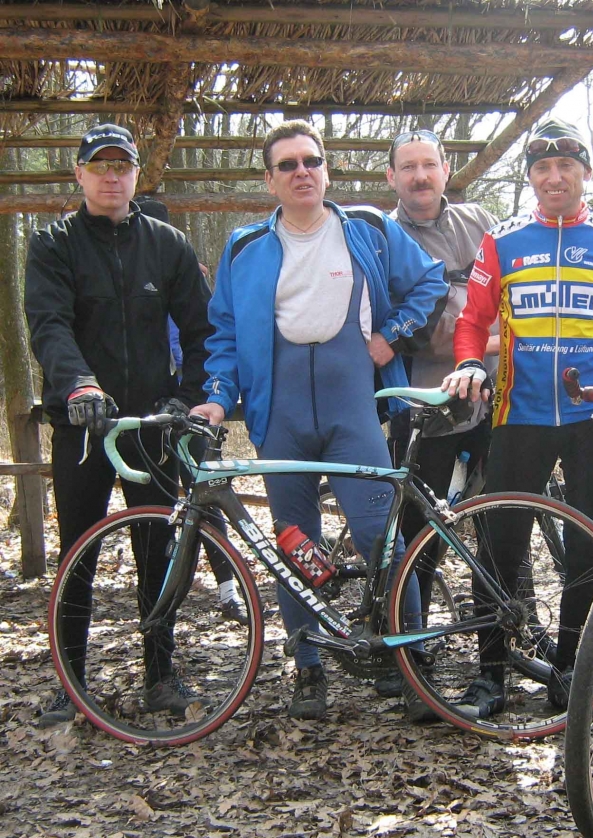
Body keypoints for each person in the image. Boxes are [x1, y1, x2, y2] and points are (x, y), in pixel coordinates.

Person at [189, 119, 448, 722]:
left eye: (312, 160)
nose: (302, 172)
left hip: (352, 408)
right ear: (269, 180)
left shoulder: (368, 228)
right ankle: (308, 665)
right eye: (287, 165)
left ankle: (410, 665)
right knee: (294, 542)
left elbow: (429, 280)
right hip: (278, 415)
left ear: (327, 170)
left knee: (380, 536)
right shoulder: (245, 247)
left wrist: (392, 334)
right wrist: (218, 398)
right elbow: (223, 333)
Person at [443, 117, 593, 718]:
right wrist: (470, 362)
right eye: (542, 167)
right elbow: (472, 321)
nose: (554, 177)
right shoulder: (503, 240)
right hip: (520, 412)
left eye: (566, 166)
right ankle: (489, 676)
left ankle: (568, 673)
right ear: (531, 177)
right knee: (500, 543)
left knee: (584, 549)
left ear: (585, 172)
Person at [25, 124, 215, 726]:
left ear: (136, 174)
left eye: (122, 166)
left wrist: (187, 398)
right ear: (79, 173)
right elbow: (49, 323)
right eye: (100, 165)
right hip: (84, 426)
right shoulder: (53, 244)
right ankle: (71, 682)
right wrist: (78, 384)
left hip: (152, 424)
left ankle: (161, 674)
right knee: (77, 552)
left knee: (158, 549)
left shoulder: (168, 245)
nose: (112, 176)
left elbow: (203, 330)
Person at [380, 129, 499, 698]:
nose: (420, 176)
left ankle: (500, 646)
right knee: (418, 528)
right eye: (408, 167)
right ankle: (412, 651)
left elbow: (508, 291)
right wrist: (494, 343)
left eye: (429, 164)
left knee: (500, 522)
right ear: (391, 177)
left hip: (495, 398)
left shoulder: (480, 221)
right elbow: (405, 330)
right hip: (423, 404)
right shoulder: (383, 236)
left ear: (446, 169)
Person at [135, 196, 247, 625]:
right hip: (160, 405)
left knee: (205, 494)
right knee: (174, 507)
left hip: (190, 404)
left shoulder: (183, 275)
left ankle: (228, 588)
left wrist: (189, 390)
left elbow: (200, 338)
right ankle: (185, 590)